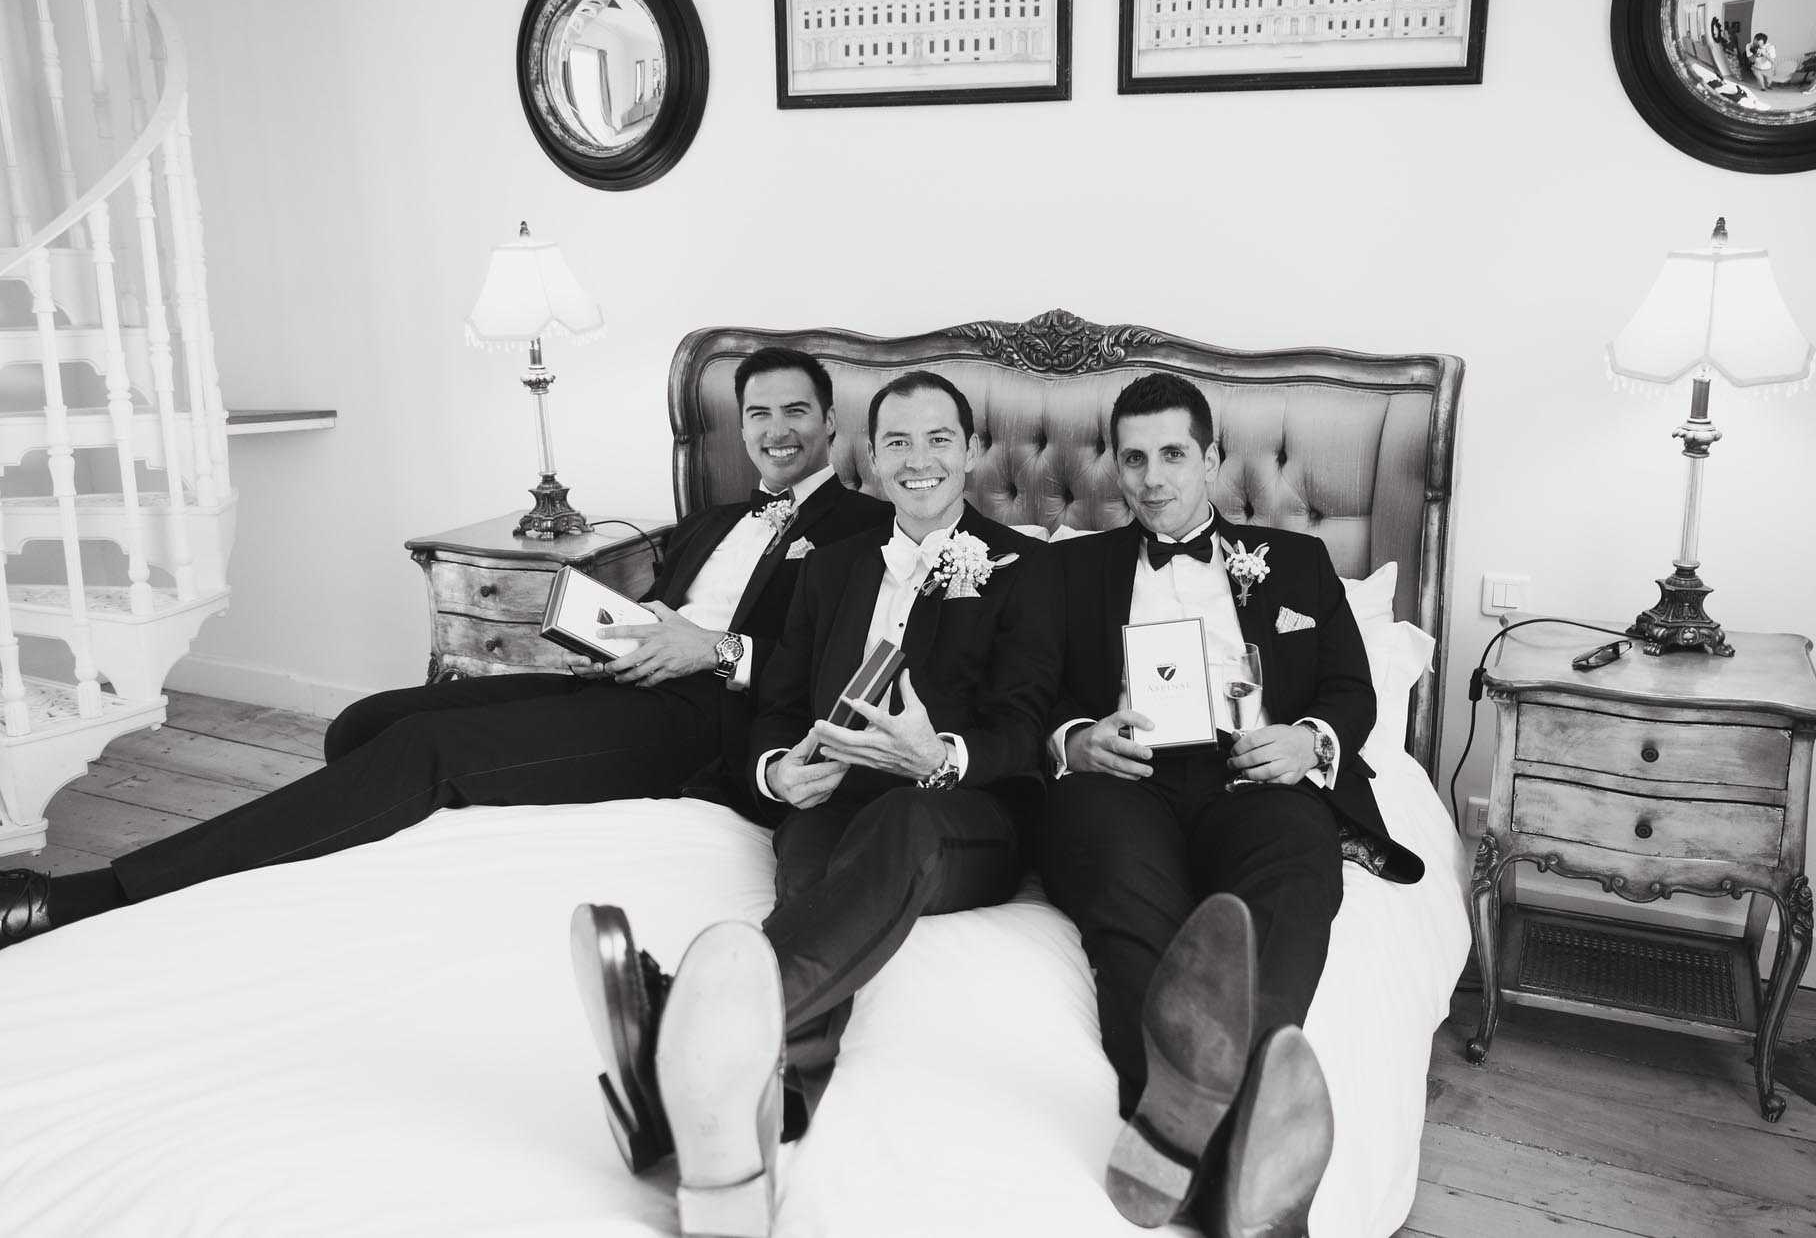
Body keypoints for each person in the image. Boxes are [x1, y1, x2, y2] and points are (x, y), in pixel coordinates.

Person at [0, 347, 889, 949]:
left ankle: (88, 896)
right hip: (619, 684)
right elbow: (655, 604)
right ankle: (350, 844)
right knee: (364, 721)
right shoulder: (716, 518)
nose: (777, 430)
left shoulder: (866, 529)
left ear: (831, 426)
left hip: (708, 721)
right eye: (759, 413)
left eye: (796, 413)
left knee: (426, 750)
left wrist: (716, 651)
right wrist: (607, 632)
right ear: (739, 427)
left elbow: (835, 668)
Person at [571, 370, 1060, 1237]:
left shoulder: (1029, 568)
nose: (918, 460)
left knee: (899, 825)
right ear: (868, 458)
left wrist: (938, 754)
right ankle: (757, 1127)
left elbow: (1030, 731)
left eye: (939, 439)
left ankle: (680, 1024)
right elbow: (777, 709)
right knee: (807, 872)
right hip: (831, 798)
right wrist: (776, 774)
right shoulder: (830, 569)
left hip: (960, 809)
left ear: (973, 450)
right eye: (897, 442)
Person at [1040, 372, 1422, 1238]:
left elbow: (1350, 691)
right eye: (1132, 458)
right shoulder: (1065, 567)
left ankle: (1186, 1141)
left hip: (1256, 776)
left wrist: (1308, 739)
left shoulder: (1297, 561)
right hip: (1123, 782)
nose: (1151, 478)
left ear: (1211, 459)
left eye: (1173, 454)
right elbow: (1026, 697)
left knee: (1295, 873)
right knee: (1126, 907)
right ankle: (1244, 1180)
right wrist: (1074, 737)